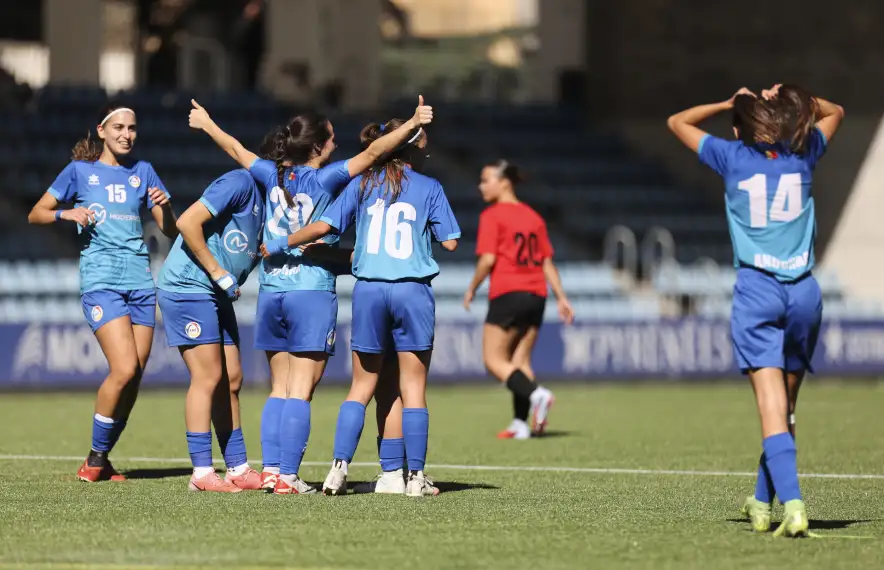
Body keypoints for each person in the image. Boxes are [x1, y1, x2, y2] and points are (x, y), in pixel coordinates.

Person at [188, 96, 433, 494]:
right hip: (310, 291)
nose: (336, 144)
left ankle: (272, 471)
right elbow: (375, 152)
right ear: (317, 146)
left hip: (271, 289)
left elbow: (235, 149)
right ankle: (288, 477)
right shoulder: (328, 178)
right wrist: (412, 124)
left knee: (279, 388)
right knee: (301, 390)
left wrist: (207, 124)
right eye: (332, 138)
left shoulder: (270, 173)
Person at [667, 84, 844, 537]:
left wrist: (727, 103)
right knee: (786, 409)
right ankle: (762, 502)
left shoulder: (730, 157)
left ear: (736, 130)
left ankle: (794, 505)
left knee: (770, 406)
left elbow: (677, 122)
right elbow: (836, 111)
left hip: (758, 290)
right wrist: (792, 96)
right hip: (803, 292)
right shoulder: (803, 153)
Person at [266, 118, 460, 497]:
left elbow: (325, 227)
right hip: (411, 291)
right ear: (410, 148)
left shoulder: (362, 184)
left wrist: (281, 242)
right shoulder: (430, 187)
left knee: (362, 386)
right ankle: (415, 478)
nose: (427, 154)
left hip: (369, 291)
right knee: (412, 387)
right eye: (423, 148)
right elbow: (450, 241)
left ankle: (339, 469)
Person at [27, 102, 176, 482]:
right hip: (102, 281)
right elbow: (36, 213)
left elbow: (170, 229)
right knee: (124, 369)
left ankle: (103, 458)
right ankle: (94, 460)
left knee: (135, 376)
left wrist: (166, 207)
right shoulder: (79, 172)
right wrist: (66, 213)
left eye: (132, 128)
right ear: (102, 131)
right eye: (119, 127)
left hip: (140, 282)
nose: (127, 134)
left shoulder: (144, 171)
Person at [156, 132, 275, 491]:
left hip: (216, 293)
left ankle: (237, 468)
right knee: (207, 377)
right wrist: (219, 272)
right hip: (189, 285)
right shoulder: (239, 182)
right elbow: (187, 222)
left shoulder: (275, 201)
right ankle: (202, 473)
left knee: (232, 378)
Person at [463, 160, 574, 440]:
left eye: (486, 180)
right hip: (537, 294)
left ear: (504, 182)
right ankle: (520, 424)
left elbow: (488, 260)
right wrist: (562, 297)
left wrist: (472, 288)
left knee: (493, 360)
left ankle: (538, 394)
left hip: (508, 292)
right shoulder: (533, 217)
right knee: (520, 361)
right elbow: (547, 262)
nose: (481, 186)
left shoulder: (493, 215)